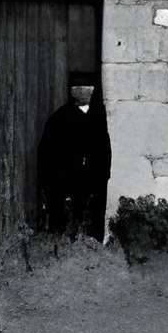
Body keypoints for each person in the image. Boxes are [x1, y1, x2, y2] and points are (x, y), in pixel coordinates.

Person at [37, 70, 111, 238]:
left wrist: (102, 176)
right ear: (70, 91)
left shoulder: (101, 117)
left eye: (86, 87)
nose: (81, 91)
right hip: (65, 184)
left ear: (93, 90)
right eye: (76, 87)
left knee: (92, 227)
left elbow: (105, 151)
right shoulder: (59, 118)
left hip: (93, 183)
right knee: (64, 228)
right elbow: (46, 153)